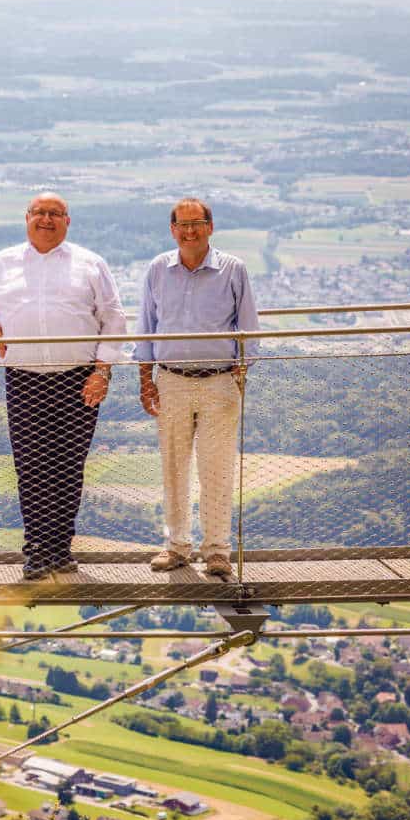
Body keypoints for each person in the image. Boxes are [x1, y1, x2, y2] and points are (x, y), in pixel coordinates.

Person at [0, 193, 126, 579]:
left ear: (67, 221)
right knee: (31, 466)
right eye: (39, 213)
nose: (46, 219)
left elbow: (113, 319)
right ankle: (35, 550)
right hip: (24, 379)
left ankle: (59, 549)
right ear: (26, 218)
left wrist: (102, 372)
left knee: (69, 466)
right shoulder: (2, 262)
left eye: (55, 214)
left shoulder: (90, 264)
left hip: (78, 379)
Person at [135, 198, 259, 580]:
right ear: (172, 230)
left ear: (210, 227)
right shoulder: (158, 269)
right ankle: (176, 547)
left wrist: (239, 373)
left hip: (219, 381)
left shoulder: (233, 270)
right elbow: (146, 326)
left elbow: (249, 329)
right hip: (170, 380)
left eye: (197, 223)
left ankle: (217, 551)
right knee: (173, 467)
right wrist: (145, 378)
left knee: (217, 469)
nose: (189, 231)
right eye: (182, 224)